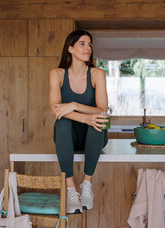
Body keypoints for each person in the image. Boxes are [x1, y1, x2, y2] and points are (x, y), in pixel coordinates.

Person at [49, 30, 109, 214]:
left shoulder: (97, 73)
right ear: (70, 48)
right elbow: (57, 111)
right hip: (68, 137)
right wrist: (84, 117)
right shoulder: (57, 74)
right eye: (82, 44)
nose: (87, 48)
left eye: (89, 44)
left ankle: (87, 184)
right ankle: (70, 189)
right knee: (62, 123)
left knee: (98, 120)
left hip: (94, 136)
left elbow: (102, 110)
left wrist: (73, 105)